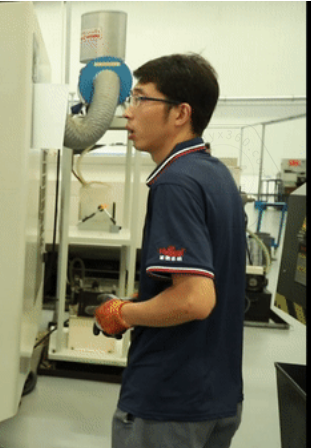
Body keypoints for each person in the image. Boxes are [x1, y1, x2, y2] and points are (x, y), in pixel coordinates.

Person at [93, 53, 246, 448]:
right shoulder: (216, 175)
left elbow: (195, 300)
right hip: (219, 397)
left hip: (169, 401)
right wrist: (147, 299)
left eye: (141, 98)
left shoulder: (175, 183)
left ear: (181, 113)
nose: (128, 112)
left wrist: (121, 314)